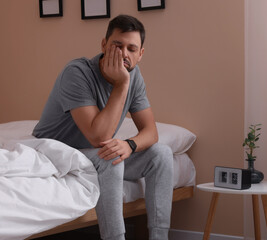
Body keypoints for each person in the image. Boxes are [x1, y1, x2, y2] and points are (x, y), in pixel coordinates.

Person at [33, 14, 174, 240]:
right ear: (104, 45)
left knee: (162, 154)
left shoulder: (133, 76)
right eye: (117, 46)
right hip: (54, 154)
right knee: (111, 157)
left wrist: (130, 144)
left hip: (90, 156)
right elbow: (98, 136)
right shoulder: (77, 73)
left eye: (131, 48)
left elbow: (151, 132)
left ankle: (160, 237)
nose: (124, 54)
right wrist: (121, 83)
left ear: (141, 54)